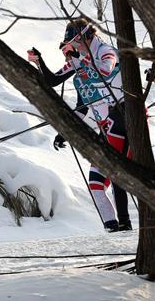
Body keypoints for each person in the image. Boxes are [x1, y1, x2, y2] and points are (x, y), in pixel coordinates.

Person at [28, 19, 132, 232]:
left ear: (86, 37)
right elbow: (55, 81)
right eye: (71, 45)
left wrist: (80, 58)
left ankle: (125, 224)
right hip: (108, 125)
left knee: (118, 173)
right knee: (95, 183)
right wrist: (39, 62)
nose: (73, 49)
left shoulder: (104, 50)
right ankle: (114, 230)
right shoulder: (79, 63)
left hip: (125, 117)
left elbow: (106, 70)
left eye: (75, 43)